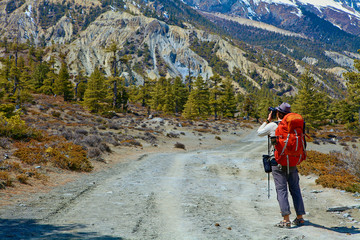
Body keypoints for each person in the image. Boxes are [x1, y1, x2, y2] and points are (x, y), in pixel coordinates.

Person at [257, 102, 306, 228]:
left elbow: (259, 132)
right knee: (295, 189)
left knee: (281, 190)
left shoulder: (273, 125)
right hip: (292, 161)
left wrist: (267, 120)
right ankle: (300, 217)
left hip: (277, 161)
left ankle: (286, 219)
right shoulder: (294, 127)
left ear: (277, 113)